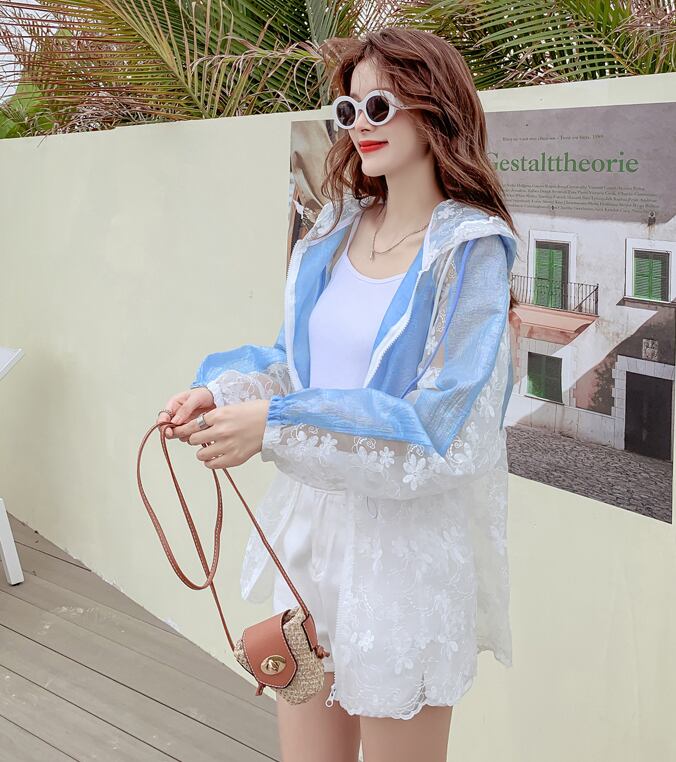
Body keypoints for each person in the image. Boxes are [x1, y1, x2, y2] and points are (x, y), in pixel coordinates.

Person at [158, 27, 521, 762]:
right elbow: (294, 365)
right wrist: (221, 393)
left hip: (402, 553)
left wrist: (276, 425)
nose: (359, 126)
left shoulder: (470, 251)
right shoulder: (332, 230)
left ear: (435, 108)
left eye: (379, 106)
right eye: (348, 110)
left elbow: (442, 430)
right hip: (310, 538)